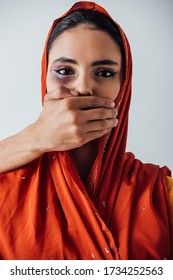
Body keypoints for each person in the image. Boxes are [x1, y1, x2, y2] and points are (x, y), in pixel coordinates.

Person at [0, 1, 172, 260]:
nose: (83, 88)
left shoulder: (161, 194)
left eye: (104, 72)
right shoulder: (5, 191)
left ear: (124, 87)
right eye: (65, 71)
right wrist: (35, 137)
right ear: (44, 78)